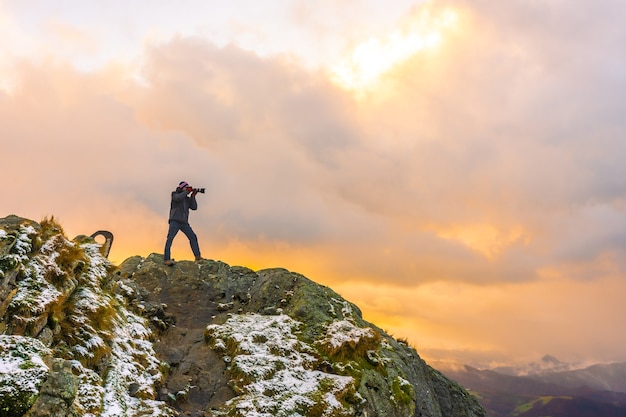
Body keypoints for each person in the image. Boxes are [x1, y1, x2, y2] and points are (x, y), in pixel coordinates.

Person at [163, 181, 204, 266]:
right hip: (175, 220)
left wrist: (193, 196)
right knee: (170, 238)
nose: (188, 188)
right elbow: (178, 198)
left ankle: (197, 256)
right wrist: (187, 192)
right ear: (182, 187)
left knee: (193, 237)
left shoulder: (186, 199)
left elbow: (194, 207)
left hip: (184, 222)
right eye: (186, 187)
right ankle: (167, 259)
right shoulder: (174, 194)